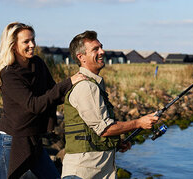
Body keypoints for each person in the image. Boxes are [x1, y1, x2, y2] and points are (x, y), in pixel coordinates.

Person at [0, 22, 87, 179]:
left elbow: (53, 94)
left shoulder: (38, 63)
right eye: (26, 41)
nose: (32, 45)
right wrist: (68, 82)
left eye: (33, 40)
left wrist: (80, 91)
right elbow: (34, 105)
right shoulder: (9, 74)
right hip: (11, 140)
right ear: (13, 45)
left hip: (33, 137)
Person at [61, 30, 159, 179]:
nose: (102, 51)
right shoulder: (86, 87)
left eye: (101, 47)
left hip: (95, 171)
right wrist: (139, 123)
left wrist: (114, 143)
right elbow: (105, 129)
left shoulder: (94, 84)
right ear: (81, 57)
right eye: (95, 49)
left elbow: (93, 129)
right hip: (83, 173)